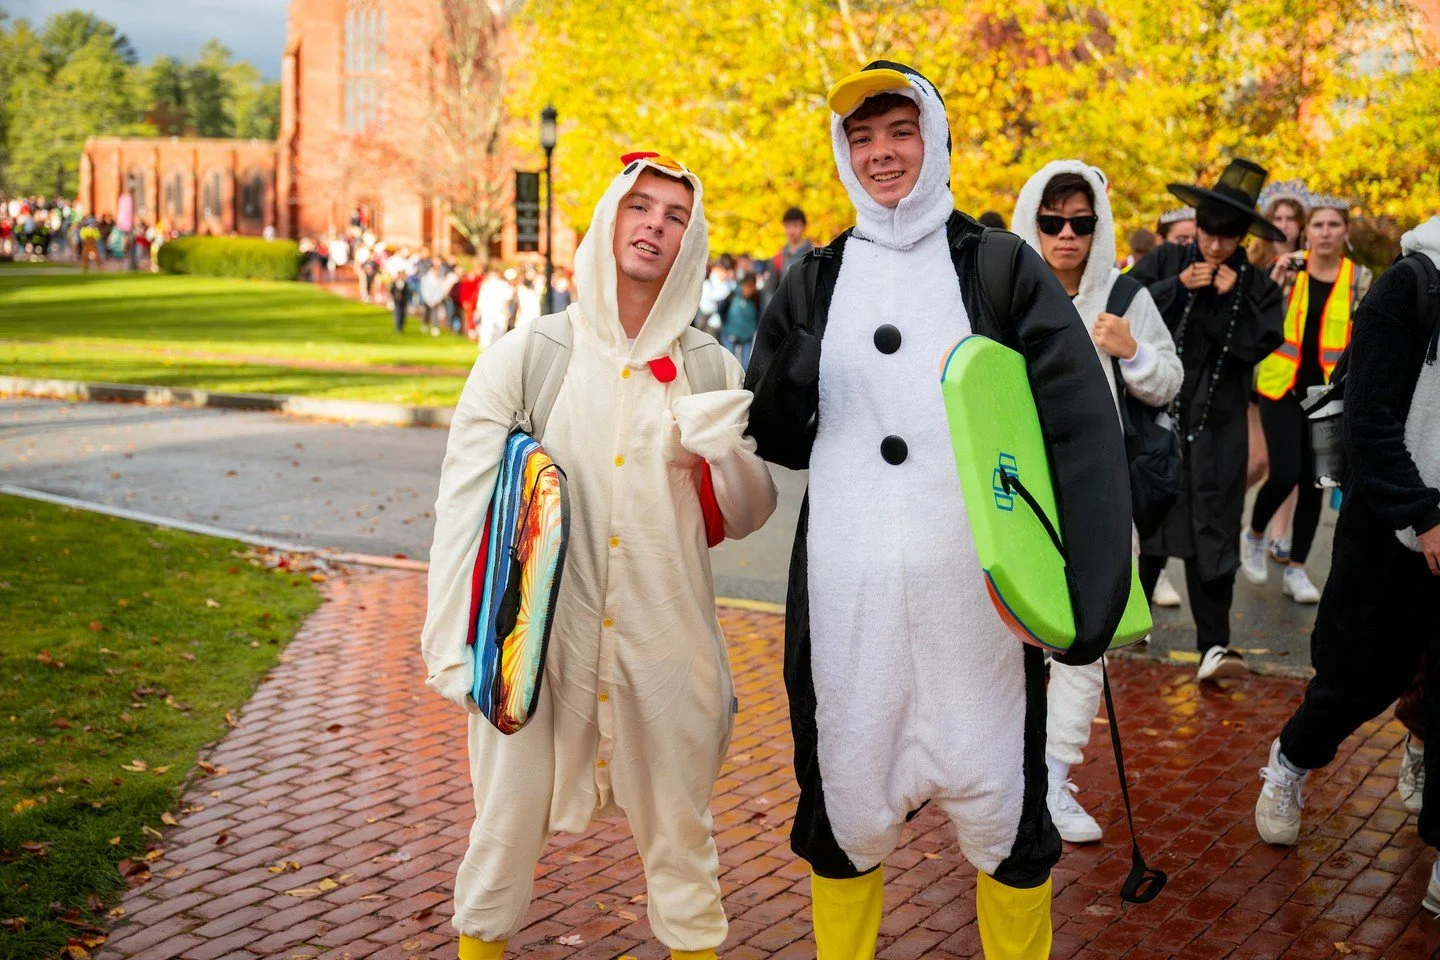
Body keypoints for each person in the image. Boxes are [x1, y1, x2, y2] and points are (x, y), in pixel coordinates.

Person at [746, 62, 1132, 959]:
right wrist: (792, 373)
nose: (881, 154)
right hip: (851, 614)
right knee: (843, 810)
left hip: (979, 612)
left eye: (900, 130)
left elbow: (1082, 433)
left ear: (936, 138)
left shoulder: (999, 267)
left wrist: (1086, 601)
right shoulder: (813, 281)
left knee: (1006, 818)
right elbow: (776, 434)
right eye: (861, 138)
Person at [420, 153, 777, 960]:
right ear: (609, 218)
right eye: (639, 206)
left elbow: (751, 516)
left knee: (685, 853)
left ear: (693, 239)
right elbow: (464, 504)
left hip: (667, 650)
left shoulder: (710, 366)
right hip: (538, 647)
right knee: (501, 841)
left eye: (675, 215)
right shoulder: (528, 356)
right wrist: (454, 647)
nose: (654, 223)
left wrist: (726, 453)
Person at [1254, 216, 1440, 911]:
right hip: (1391, 525)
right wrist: (1424, 516)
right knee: (1357, 684)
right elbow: (1367, 426)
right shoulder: (1407, 286)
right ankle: (1291, 761)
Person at [1012, 161, 1183, 844]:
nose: (1066, 235)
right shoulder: (1005, 291)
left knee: (1087, 640)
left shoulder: (1126, 294)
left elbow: (1168, 381)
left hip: (1099, 492)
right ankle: (1008, 774)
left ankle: (1054, 779)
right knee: (1003, 637)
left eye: (1081, 222)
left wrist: (1133, 350)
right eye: (1052, 221)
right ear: (1032, 219)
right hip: (1016, 491)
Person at [1131, 160, 1285, 682]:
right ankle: (1120, 625)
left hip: (1219, 431)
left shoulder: (1257, 285)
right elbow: (1126, 309)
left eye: (1229, 237)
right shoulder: (1168, 259)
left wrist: (1225, 300)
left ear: (1243, 237)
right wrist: (1177, 284)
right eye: (1209, 233)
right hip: (1158, 423)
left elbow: (1260, 344)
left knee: (1214, 532)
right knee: (1147, 523)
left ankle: (1214, 647)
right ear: (1196, 225)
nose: (1216, 246)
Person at [1243, 198, 1372, 603]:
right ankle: (1256, 533)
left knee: (1316, 483)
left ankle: (1297, 569)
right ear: (1308, 230)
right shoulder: (1287, 270)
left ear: (1345, 232)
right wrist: (1273, 281)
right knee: (1283, 473)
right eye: (1319, 225)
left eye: (1335, 224)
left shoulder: (1360, 277)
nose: (1326, 232)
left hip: (1329, 394)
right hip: (1280, 387)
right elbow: (1256, 316)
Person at [1246, 183, 1311, 563]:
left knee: (1291, 462)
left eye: (1291, 219)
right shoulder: (1258, 267)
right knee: (1259, 460)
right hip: (1259, 375)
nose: (1285, 226)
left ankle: (1279, 535)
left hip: (1298, 376)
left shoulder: (1313, 266)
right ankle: (1223, 511)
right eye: (1278, 219)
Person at [721, 271, 760, 368]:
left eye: (752, 287)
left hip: (747, 335)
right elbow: (722, 309)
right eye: (747, 286)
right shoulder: (733, 295)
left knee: (745, 365)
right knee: (729, 362)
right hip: (730, 333)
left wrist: (753, 328)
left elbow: (759, 315)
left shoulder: (756, 299)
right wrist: (726, 324)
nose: (749, 290)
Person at [477, 269, 514, 349]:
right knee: (487, 329)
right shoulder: (486, 284)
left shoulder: (503, 284)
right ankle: (486, 346)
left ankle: (496, 346)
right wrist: (479, 309)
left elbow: (507, 298)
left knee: (499, 329)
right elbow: (481, 298)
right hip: (488, 310)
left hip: (499, 311)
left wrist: (505, 309)